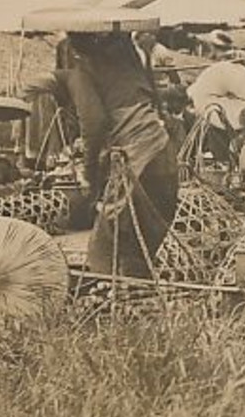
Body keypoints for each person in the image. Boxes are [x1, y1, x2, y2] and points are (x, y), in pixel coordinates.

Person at [57, 30, 181, 278]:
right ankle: (140, 298)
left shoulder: (81, 73)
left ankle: (117, 298)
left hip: (139, 162)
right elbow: (155, 104)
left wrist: (91, 172)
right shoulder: (131, 64)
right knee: (143, 241)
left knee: (107, 244)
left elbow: (94, 123)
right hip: (163, 155)